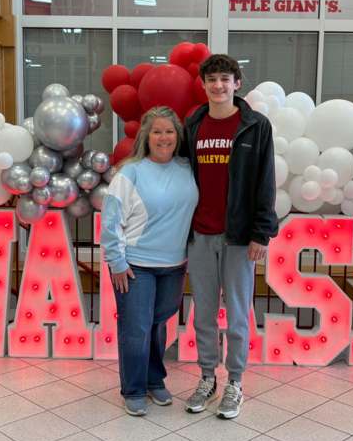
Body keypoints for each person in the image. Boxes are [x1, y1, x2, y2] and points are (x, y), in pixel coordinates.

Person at [181, 54, 277, 419]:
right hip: (200, 235)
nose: (218, 86)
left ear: (238, 83)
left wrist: (261, 234)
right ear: (203, 85)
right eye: (212, 80)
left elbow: (264, 182)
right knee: (203, 314)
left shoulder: (255, 126)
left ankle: (235, 381)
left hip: (239, 238)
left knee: (238, 314)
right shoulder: (193, 124)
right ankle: (207, 377)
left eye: (225, 79)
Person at [101, 106, 198, 416]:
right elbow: (110, 220)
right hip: (135, 265)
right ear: (146, 135)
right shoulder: (131, 171)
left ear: (177, 135)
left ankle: (155, 379)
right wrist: (116, 261)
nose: (163, 137)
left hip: (173, 265)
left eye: (169, 131)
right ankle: (133, 388)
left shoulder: (188, 168)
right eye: (157, 131)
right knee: (136, 329)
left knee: (157, 326)